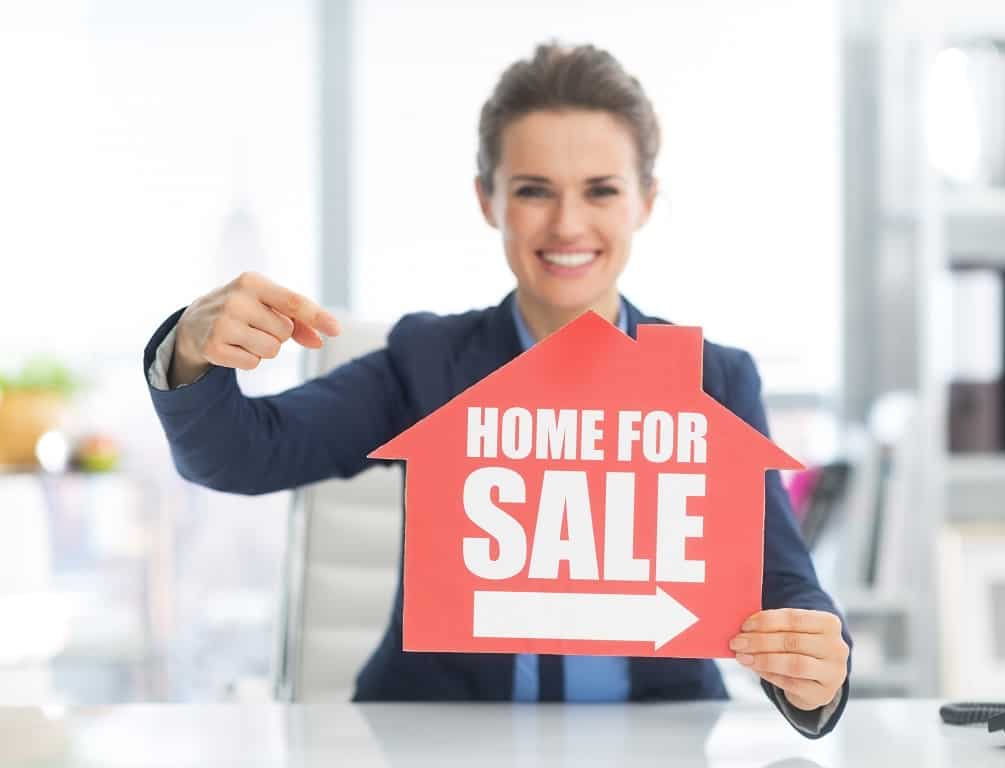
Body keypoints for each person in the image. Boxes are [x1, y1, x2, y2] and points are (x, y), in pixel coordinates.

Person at [144, 41, 851, 737]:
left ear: (645, 201)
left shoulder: (714, 381)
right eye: (533, 190)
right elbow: (239, 455)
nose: (567, 224)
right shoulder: (427, 363)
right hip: (438, 741)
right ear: (488, 200)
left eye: (600, 190)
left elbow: (786, 586)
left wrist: (813, 670)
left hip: (653, 739)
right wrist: (190, 351)